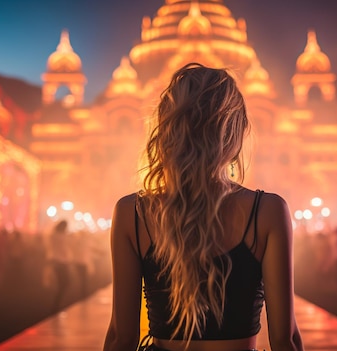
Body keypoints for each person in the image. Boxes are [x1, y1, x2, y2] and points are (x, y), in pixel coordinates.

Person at [103, 63, 304, 351]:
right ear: (235, 131)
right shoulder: (268, 211)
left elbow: (121, 339)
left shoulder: (132, 213)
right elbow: (286, 339)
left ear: (167, 129)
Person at [47, 219, 72, 313]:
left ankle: (57, 304)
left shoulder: (52, 235)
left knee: (61, 284)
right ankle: (57, 304)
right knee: (65, 283)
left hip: (54, 261)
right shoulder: (62, 236)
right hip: (62, 262)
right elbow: (64, 249)